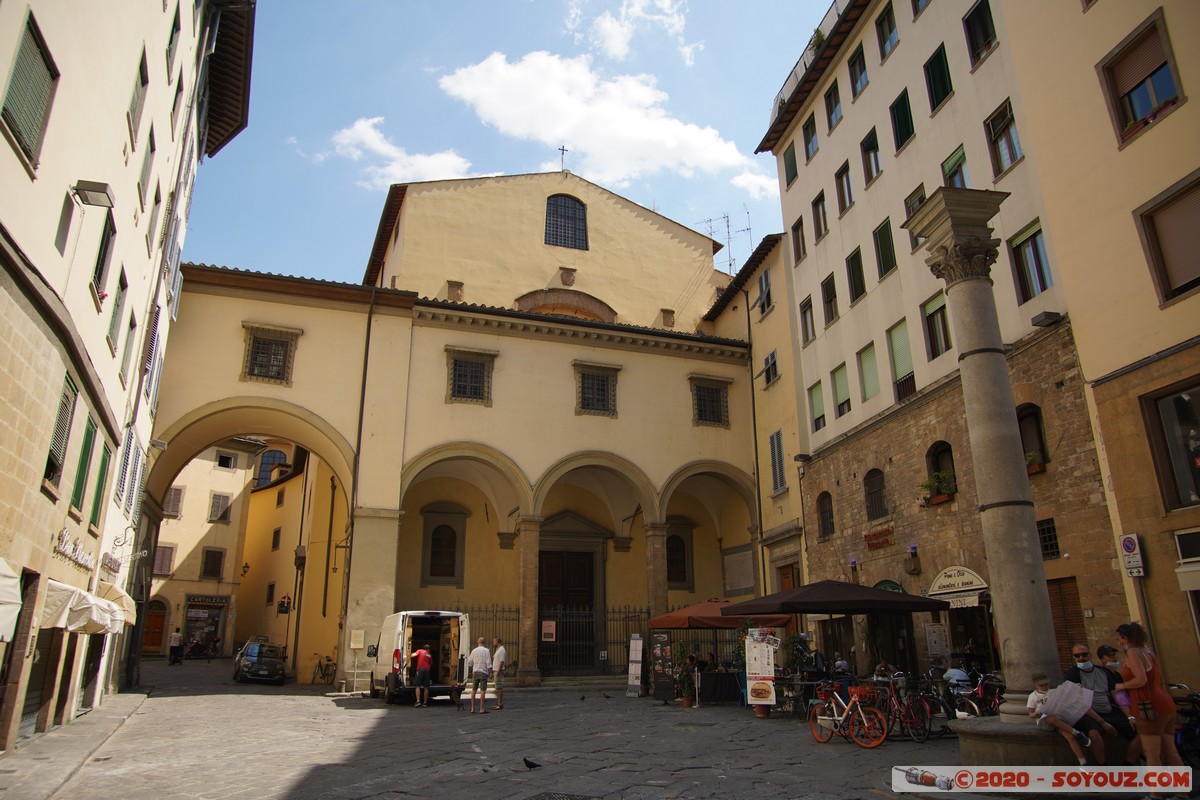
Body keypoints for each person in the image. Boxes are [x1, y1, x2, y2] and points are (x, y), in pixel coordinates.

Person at [1113, 622, 1184, 783]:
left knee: (1152, 753)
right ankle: (1181, 792)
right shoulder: (1147, 651)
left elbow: (1140, 679)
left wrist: (1121, 685)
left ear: (1126, 639)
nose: (1118, 643)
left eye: (1119, 639)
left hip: (1148, 706)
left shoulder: (1133, 652)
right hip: (1165, 704)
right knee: (1170, 751)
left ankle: (1156, 793)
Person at [1063, 643, 1126, 765]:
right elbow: (1079, 704)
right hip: (1088, 714)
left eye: (1084, 654)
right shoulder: (1072, 674)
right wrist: (1102, 722)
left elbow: (1118, 695)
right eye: (1077, 655)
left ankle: (1129, 763)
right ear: (1074, 658)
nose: (1081, 658)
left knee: (1140, 729)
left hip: (1108, 710)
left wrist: (1130, 715)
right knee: (1094, 734)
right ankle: (1103, 767)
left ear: (1090, 655)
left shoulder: (1103, 671)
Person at [1027, 674, 1103, 766]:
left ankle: (1083, 762)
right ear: (1036, 685)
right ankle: (1077, 733)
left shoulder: (1054, 692)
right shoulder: (1033, 696)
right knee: (1052, 718)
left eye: (1046, 684)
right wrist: (1036, 714)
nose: (1044, 687)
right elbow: (1030, 713)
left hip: (1058, 721)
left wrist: (1077, 688)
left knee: (1069, 736)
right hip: (1044, 721)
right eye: (1041, 685)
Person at [467, 637, 491, 714]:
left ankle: (473, 708)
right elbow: (489, 663)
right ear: (484, 643)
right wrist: (490, 672)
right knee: (482, 691)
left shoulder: (474, 651)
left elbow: (469, 662)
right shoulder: (486, 651)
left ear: (478, 642)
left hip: (475, 672)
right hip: (483, 672)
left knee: (474, 690)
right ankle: (481, 708)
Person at [410, 643, 432, 708]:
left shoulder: (420, 651)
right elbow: (430, 664)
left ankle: (418, 701)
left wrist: (409, 654)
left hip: (420, 670)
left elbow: (413, 655)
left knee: (417, 686)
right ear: (428, 649)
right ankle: (425, 703)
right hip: (427, 671)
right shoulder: (429, 655)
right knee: (426, 687)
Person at [490, 636, 507, 711]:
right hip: (496, 670)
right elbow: (493, 659)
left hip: (498, 671)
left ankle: (500, 704)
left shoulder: (502, 650)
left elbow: (502, 661)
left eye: (494, 641)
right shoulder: (498, 650)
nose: (493, 643)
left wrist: (498, 671)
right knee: (497, 688)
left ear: (497, 642)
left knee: (499, 688)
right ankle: (499, 703)